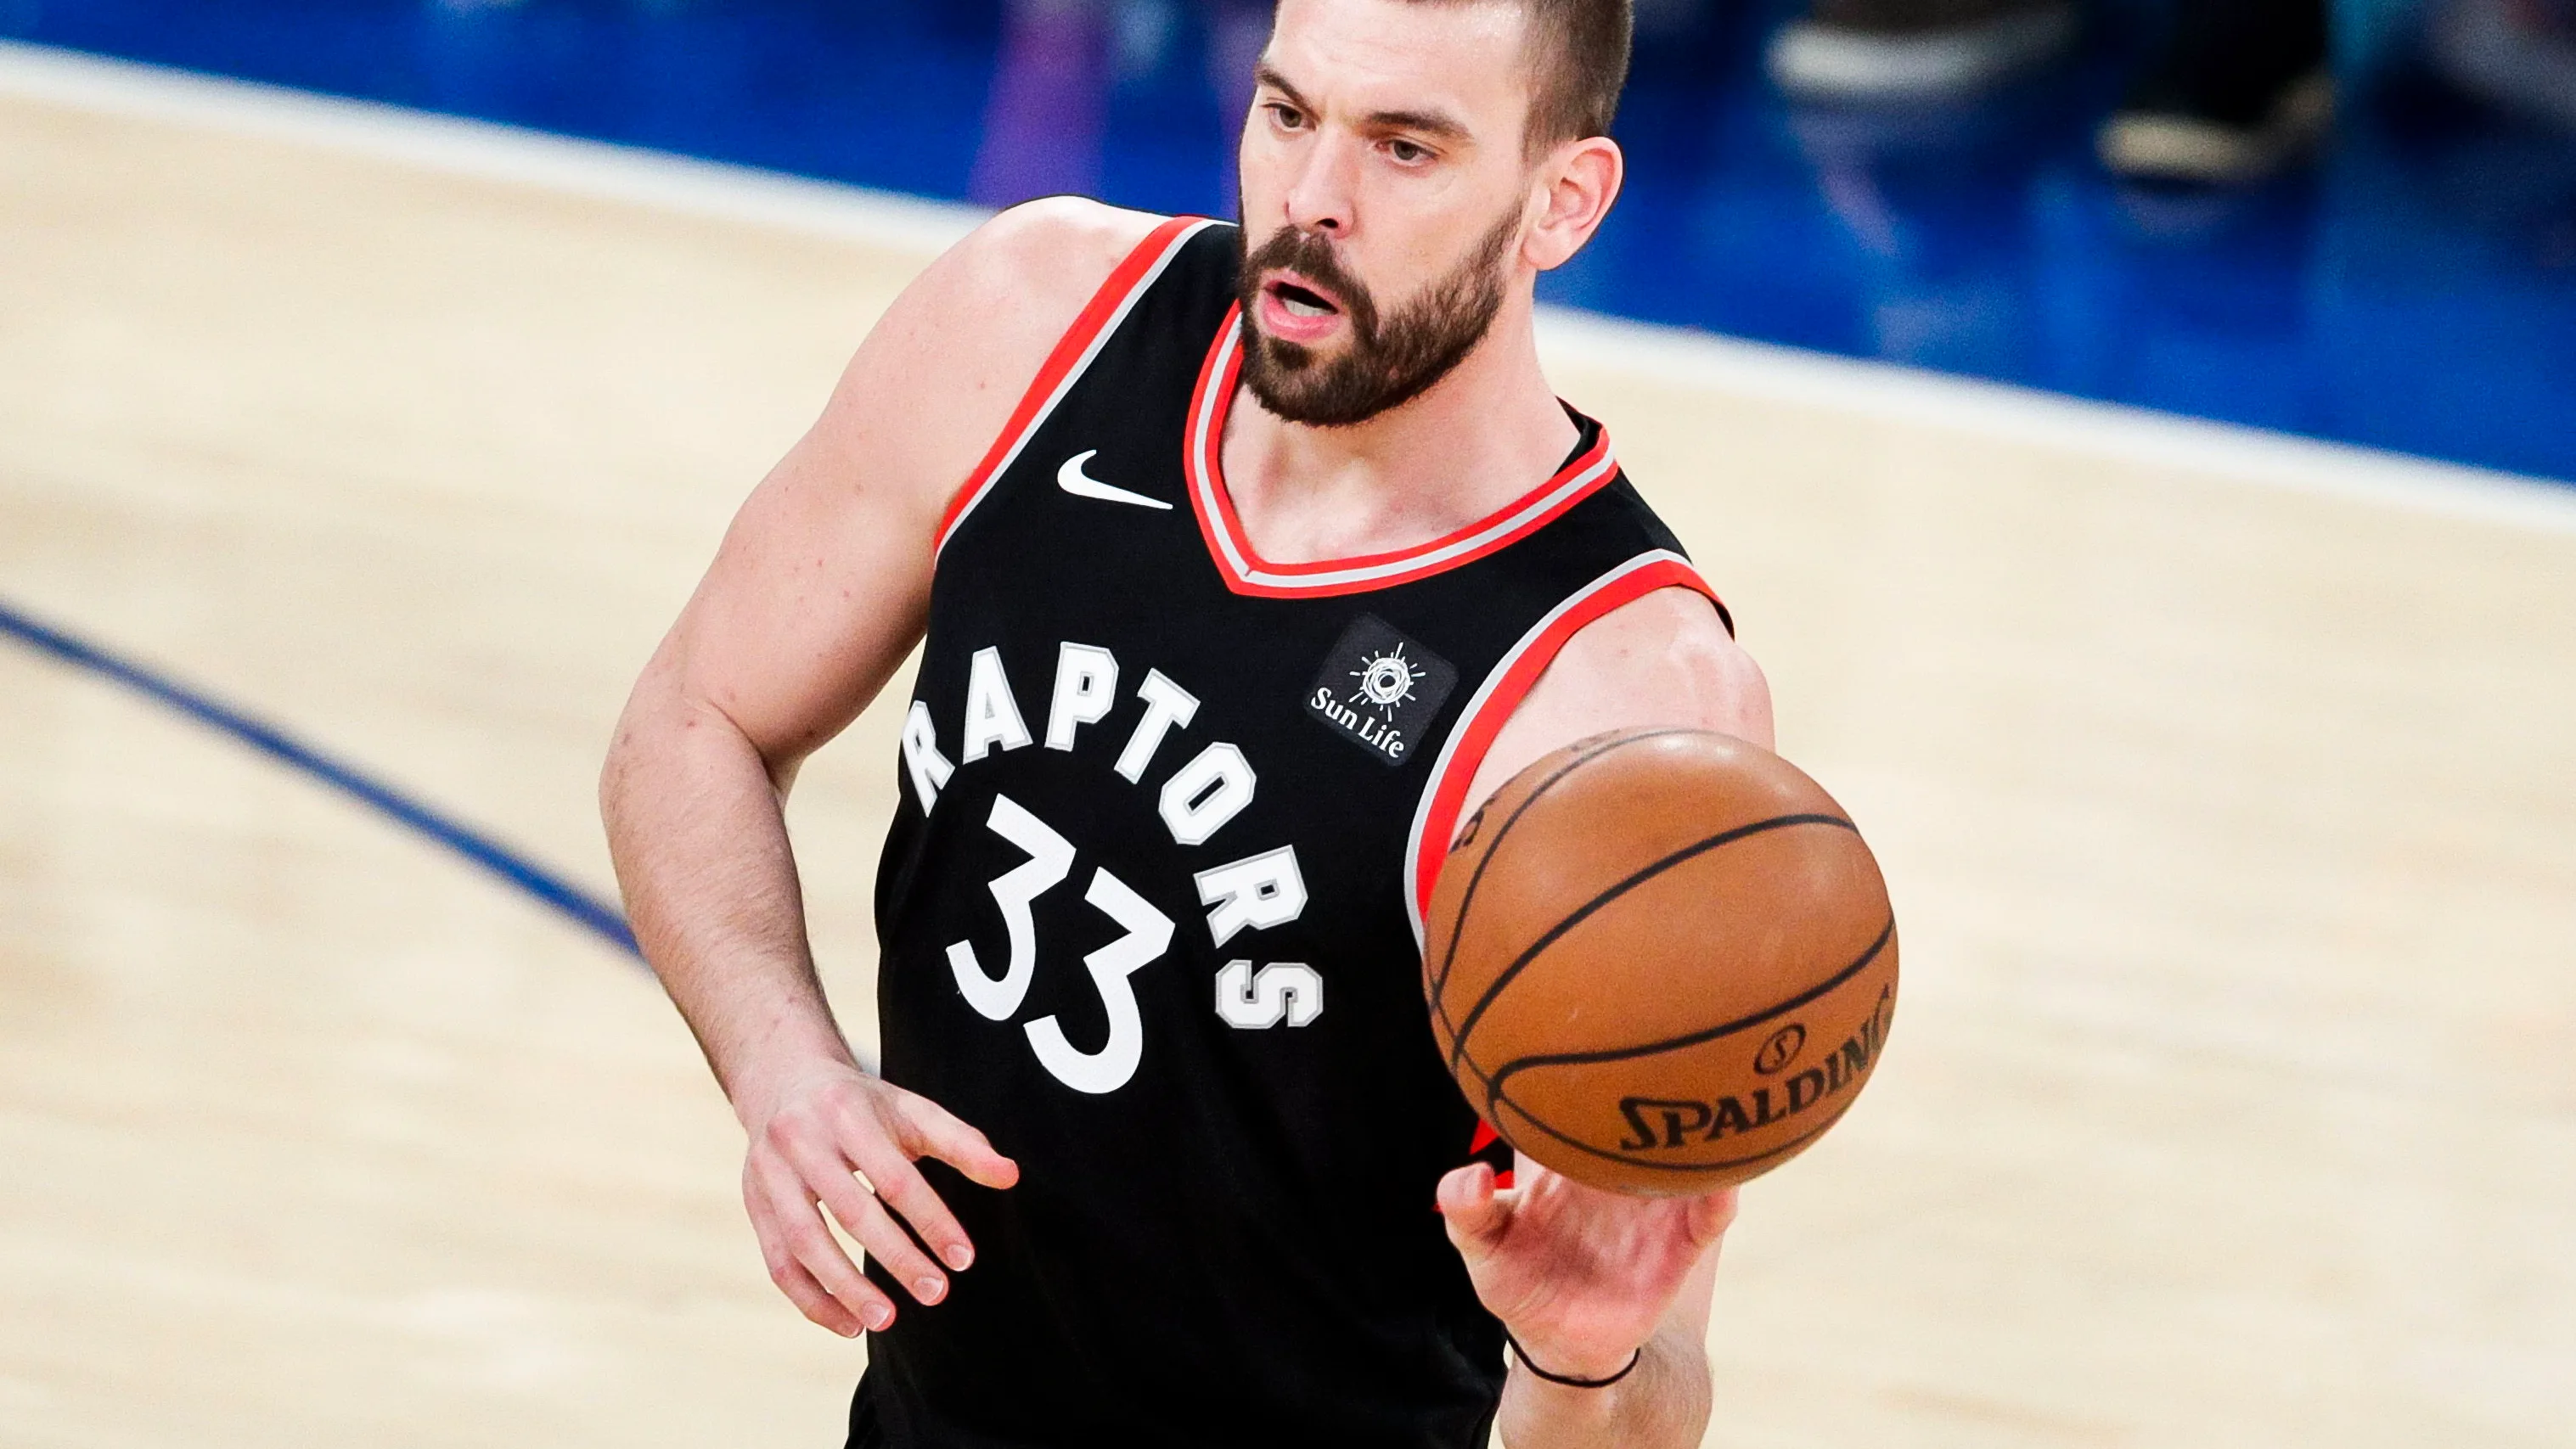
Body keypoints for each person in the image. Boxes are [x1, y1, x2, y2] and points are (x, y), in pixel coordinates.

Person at [598, 0, 1770, 1445]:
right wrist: (781, 1066)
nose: (1312, 202)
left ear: (1561, 202)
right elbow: (693, 715)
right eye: (1286, 115)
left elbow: (1654, 1395)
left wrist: (1585, 1356)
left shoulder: (1624, 698)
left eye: (1405, 149)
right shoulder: (1027, 329)